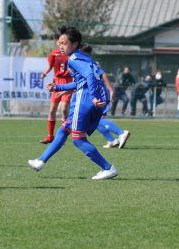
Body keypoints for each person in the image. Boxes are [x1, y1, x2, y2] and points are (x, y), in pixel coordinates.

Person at [28, 26, 118, 180]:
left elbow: (89, 76)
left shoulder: (74, 59)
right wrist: (59, 87)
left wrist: (94, 96)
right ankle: (41, 161)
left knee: (78, 139)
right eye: (59, 43)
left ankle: (107, 168)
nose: (60, 46)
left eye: (64, 43)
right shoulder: (84, 57)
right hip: (91, 97)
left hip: (84, 100)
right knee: (64, 130)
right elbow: (82, 81)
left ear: (75, 43)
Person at [80, 45, 130, 149]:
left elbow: (104, 75)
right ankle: (112, 140)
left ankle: (121, 133)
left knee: (99, 118)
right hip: (93, 93)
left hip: (98, 93)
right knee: (93, 121)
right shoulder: (84, 63)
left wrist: (111, 90)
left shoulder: (91, 63)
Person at [38, 31, 73, 144]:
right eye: (59, 41)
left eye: (63, 41)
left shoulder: (70, 54)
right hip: (57, 83)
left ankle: (63, 136)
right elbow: (50, 66)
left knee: (63, 110)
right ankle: (50, 136)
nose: (60, 43)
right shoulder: (54, 54)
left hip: (67, 83)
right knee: (52, 110)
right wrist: (45, 73)